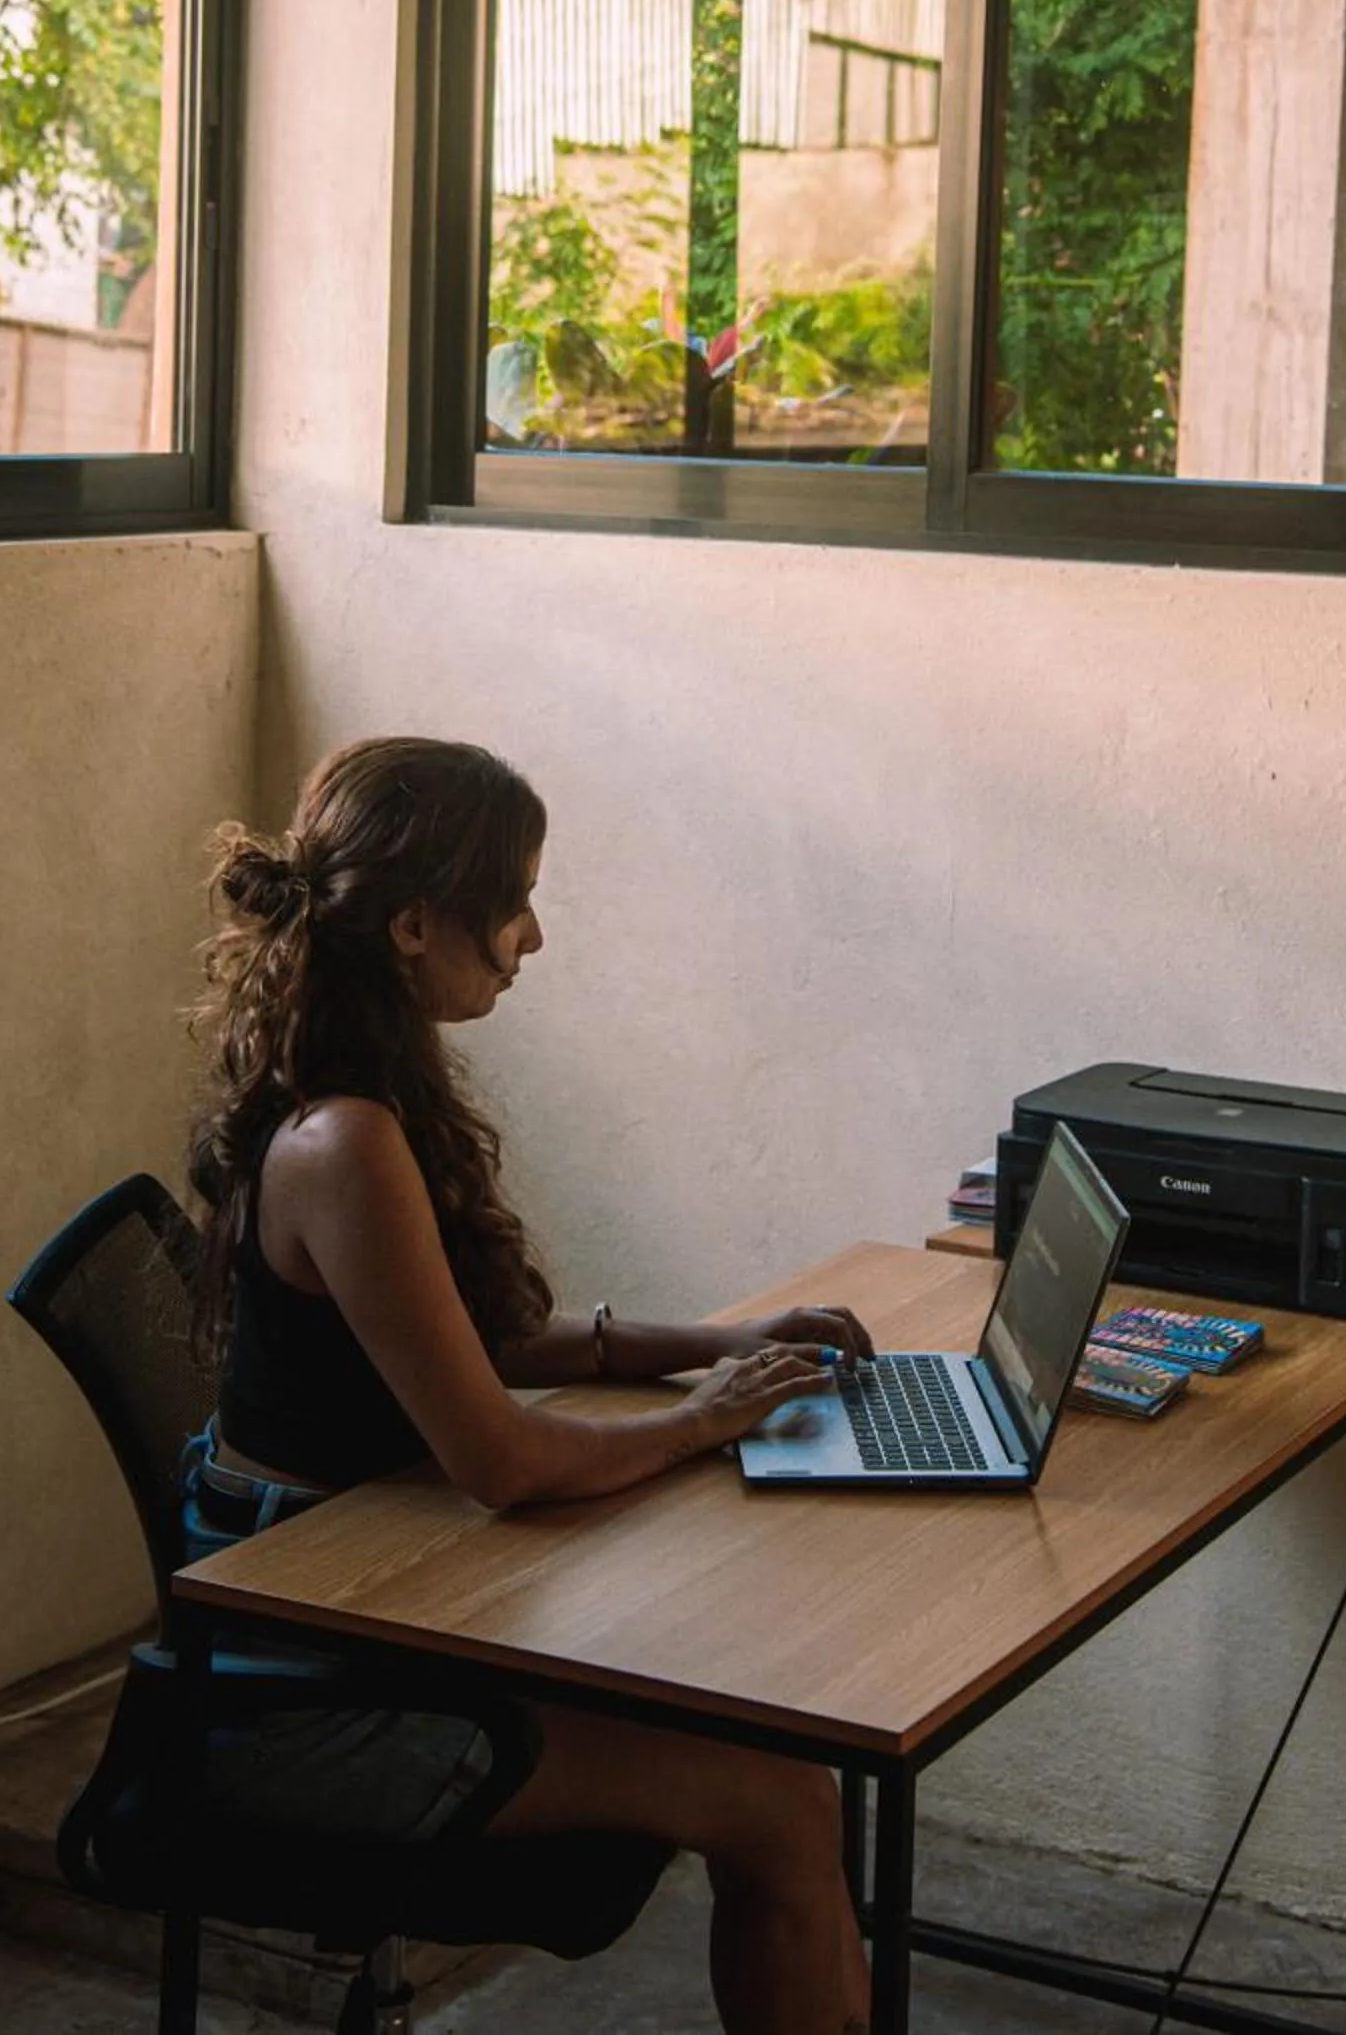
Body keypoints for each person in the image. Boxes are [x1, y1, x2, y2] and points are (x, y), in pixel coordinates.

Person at [184, 733, 876, 2035]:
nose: (533, 939)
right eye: (512, 904)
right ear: (412, 925)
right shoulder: (346, 1141)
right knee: (784, 1802)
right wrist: (704, 1424)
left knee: (774, 1754)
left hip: (380, 1616)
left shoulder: (360, 1092)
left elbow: (472, 1343)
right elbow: (499, 1459)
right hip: (303, 1700)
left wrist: (716, 1345)